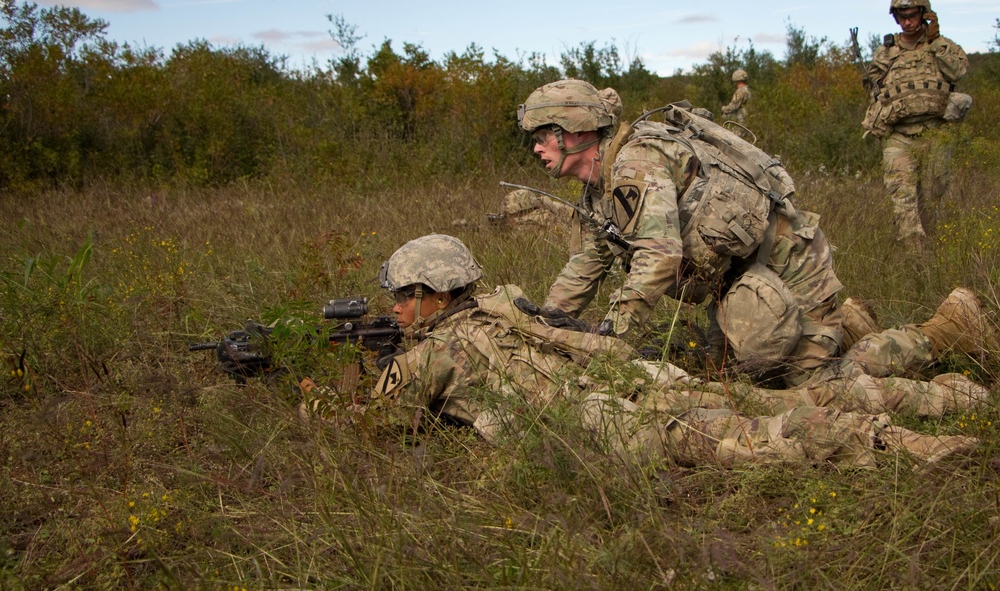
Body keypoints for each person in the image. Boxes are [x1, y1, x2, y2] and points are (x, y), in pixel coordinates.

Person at [301, 234, 983, 468]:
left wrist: (318, 401)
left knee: (756, 438)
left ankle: (895, 447)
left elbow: (373, 421)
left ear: (431, 294)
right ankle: (954, 394)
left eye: (400, 296)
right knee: (788, 397)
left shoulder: (435, 353)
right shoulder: (503, 304)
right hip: (640, 377)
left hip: (608, 421)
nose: (393, 308)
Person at [514, 79, 997, 387]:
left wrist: (609, 339)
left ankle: (945, 331)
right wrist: (547, 324)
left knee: (813, 388)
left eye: (541, 135)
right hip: (746, 287)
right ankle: (843, 325)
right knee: (730, 377)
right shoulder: (599, 193)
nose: (536, 148)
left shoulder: (635, 163)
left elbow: (658, 258)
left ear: (573, 129)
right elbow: (586, 265)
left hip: (788, 268)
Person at [862, 0, 972, 245]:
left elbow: (957, 73)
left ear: (925, 14)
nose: (908, 22)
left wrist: (936, 42)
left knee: (935, 195)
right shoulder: (885, 53)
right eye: (902, 16)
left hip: (936, 133)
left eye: (912, 15)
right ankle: (915, 260)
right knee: (903, 200)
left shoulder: (941, 46)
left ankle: (938, 252)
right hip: (898, 136)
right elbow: (872, 89)